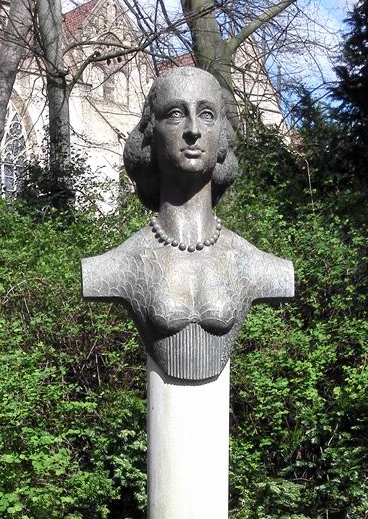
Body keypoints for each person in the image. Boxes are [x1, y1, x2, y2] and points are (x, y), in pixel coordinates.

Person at [82, 66, 294, 382]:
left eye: (207, 115)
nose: (193, 130)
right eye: (175, 114)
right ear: (151, 133)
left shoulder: (256, 265)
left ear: (222, 136)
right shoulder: (119, 264)